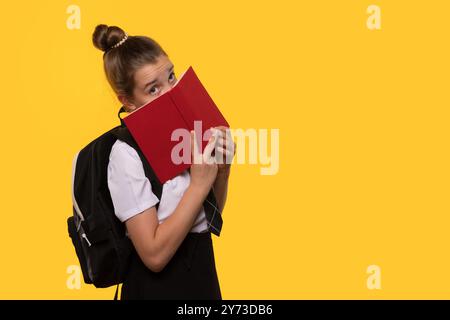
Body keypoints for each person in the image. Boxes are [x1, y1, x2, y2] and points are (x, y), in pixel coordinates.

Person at [92, 24, 235, 299]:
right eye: (153, 89)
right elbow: (153, 255)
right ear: (128, 101)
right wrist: (197, 185)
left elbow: (207, 219)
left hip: (202, 279)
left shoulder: (186, 133)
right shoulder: (125, 154)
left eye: (171, 77)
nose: (170, 92)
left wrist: (222, 172)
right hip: (157, 290)